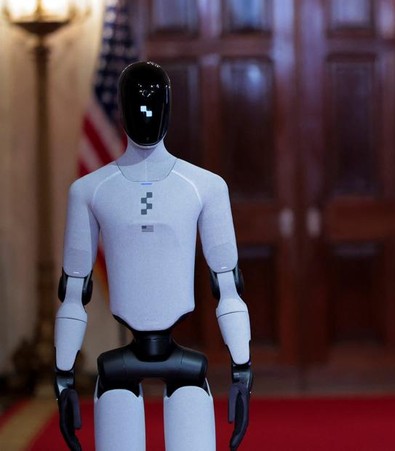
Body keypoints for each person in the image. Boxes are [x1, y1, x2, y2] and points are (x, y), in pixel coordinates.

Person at [54, 61, 252, 451]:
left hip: (177, 370)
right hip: (122, 372)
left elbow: (227, 283)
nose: (146, 112)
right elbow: (74, 289)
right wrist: (63, 379)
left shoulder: (206, 187)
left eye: (152, 102)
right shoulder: (89, 191)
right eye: (138, 103)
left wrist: (242, 370)